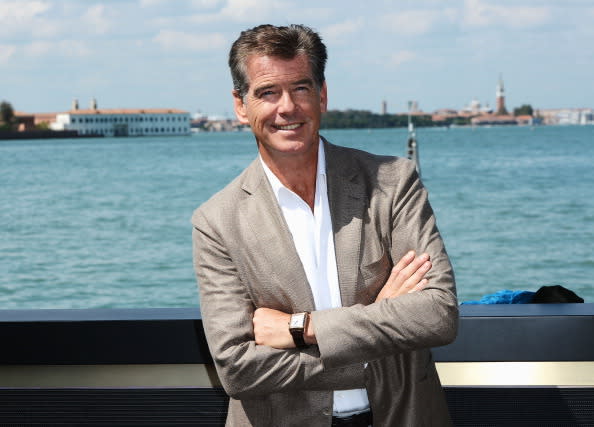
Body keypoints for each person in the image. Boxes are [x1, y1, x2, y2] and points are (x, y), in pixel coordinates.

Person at [192, 24, 458, 427]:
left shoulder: (392, 183)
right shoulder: (217, 222)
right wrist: (379, 326)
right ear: (241, 105)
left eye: (300, 88)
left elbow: (438, 313)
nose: (287, 107)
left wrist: (300, 329)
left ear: (323, 94)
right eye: (267, 92)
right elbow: (238, 368)